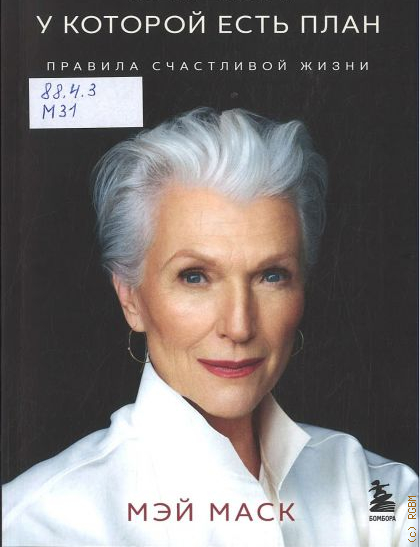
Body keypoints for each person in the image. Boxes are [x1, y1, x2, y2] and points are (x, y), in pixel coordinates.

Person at [3, 108, 417, 547]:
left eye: (271, 276)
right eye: (195, 277)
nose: (238, 326)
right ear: (131, 298)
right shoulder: (38, 525)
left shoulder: (386, 495)